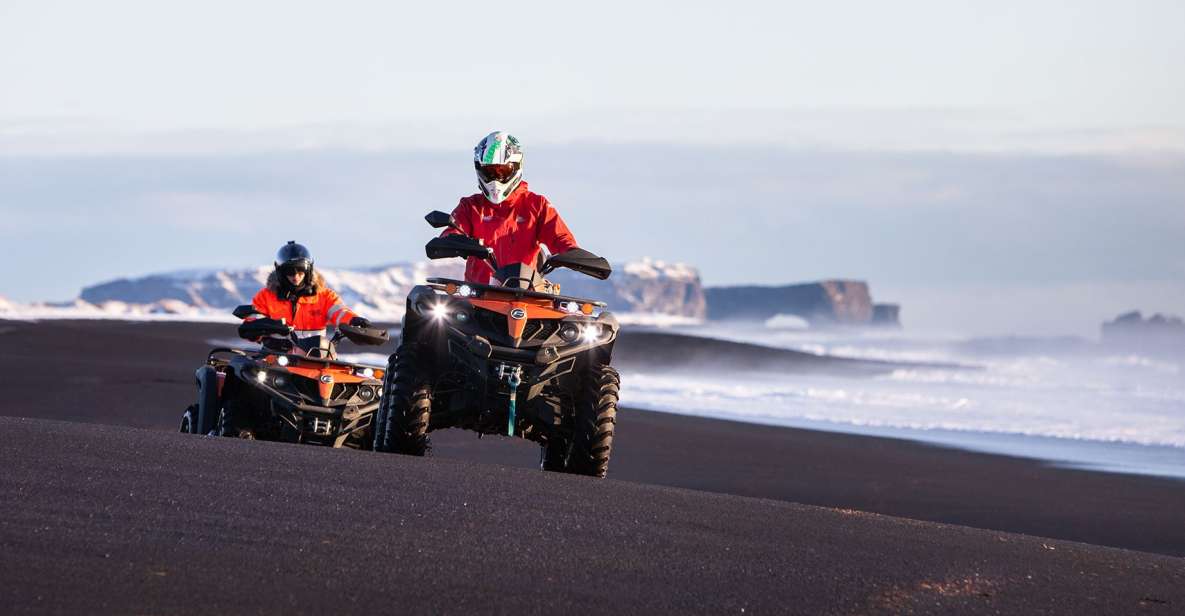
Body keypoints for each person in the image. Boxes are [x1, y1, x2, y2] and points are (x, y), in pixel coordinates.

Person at [443, 131, 579, 284]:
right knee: (431, 302)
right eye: (490, 172)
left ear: (516, 167)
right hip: (478, 295)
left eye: (503, 171)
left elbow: (560, 238)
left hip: (525, 294)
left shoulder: (537, 205)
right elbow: (453, 230)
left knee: (571, 308)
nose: (496, 179)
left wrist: (572, 254)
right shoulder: (470, 206)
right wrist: (453, 242)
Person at [247, 241, 371, 344]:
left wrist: (353, 320)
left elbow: (340, 313)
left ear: (309, 270)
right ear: (281, 272)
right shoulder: (266, 296)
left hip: (317, 357)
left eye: (301, 270)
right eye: (290, 271)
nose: (296, 276)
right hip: (276, 357)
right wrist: (259, 328)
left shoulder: (324, 296)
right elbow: (252, 322)